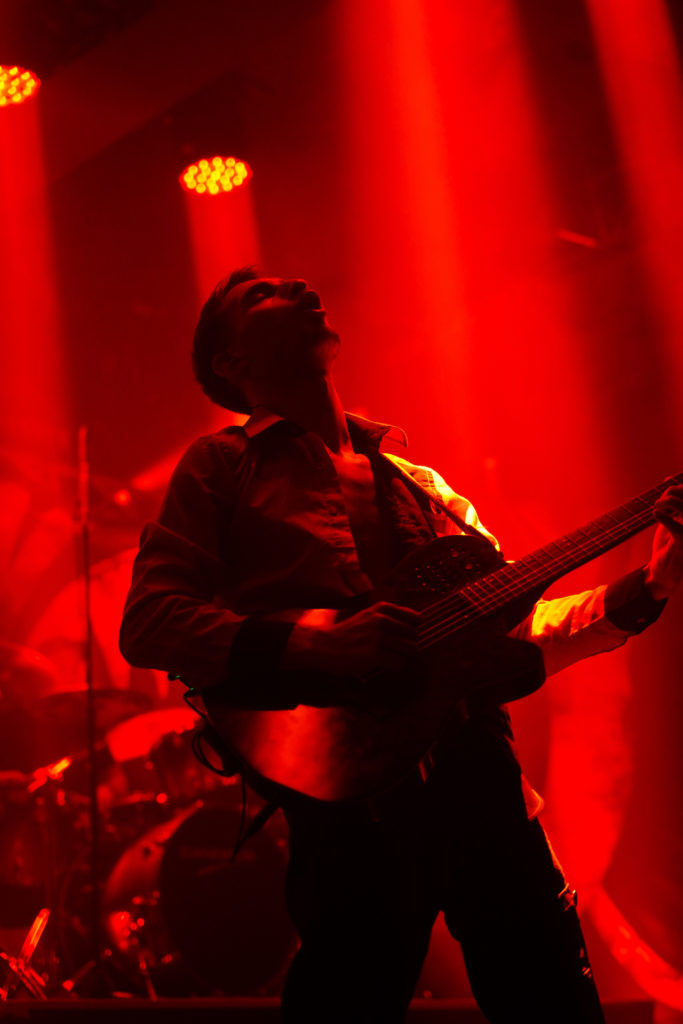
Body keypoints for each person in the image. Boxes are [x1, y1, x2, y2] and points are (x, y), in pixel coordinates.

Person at [119, 268, 683, 1023]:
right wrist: (322, 647)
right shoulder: (221, 467)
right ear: (231, 363)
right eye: (261, 295)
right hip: (349, 797)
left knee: (551, 996)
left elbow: (512, 630)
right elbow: (152, 621)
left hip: (479, 770)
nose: (297, 283)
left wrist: (649, 583)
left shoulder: (422, 483)